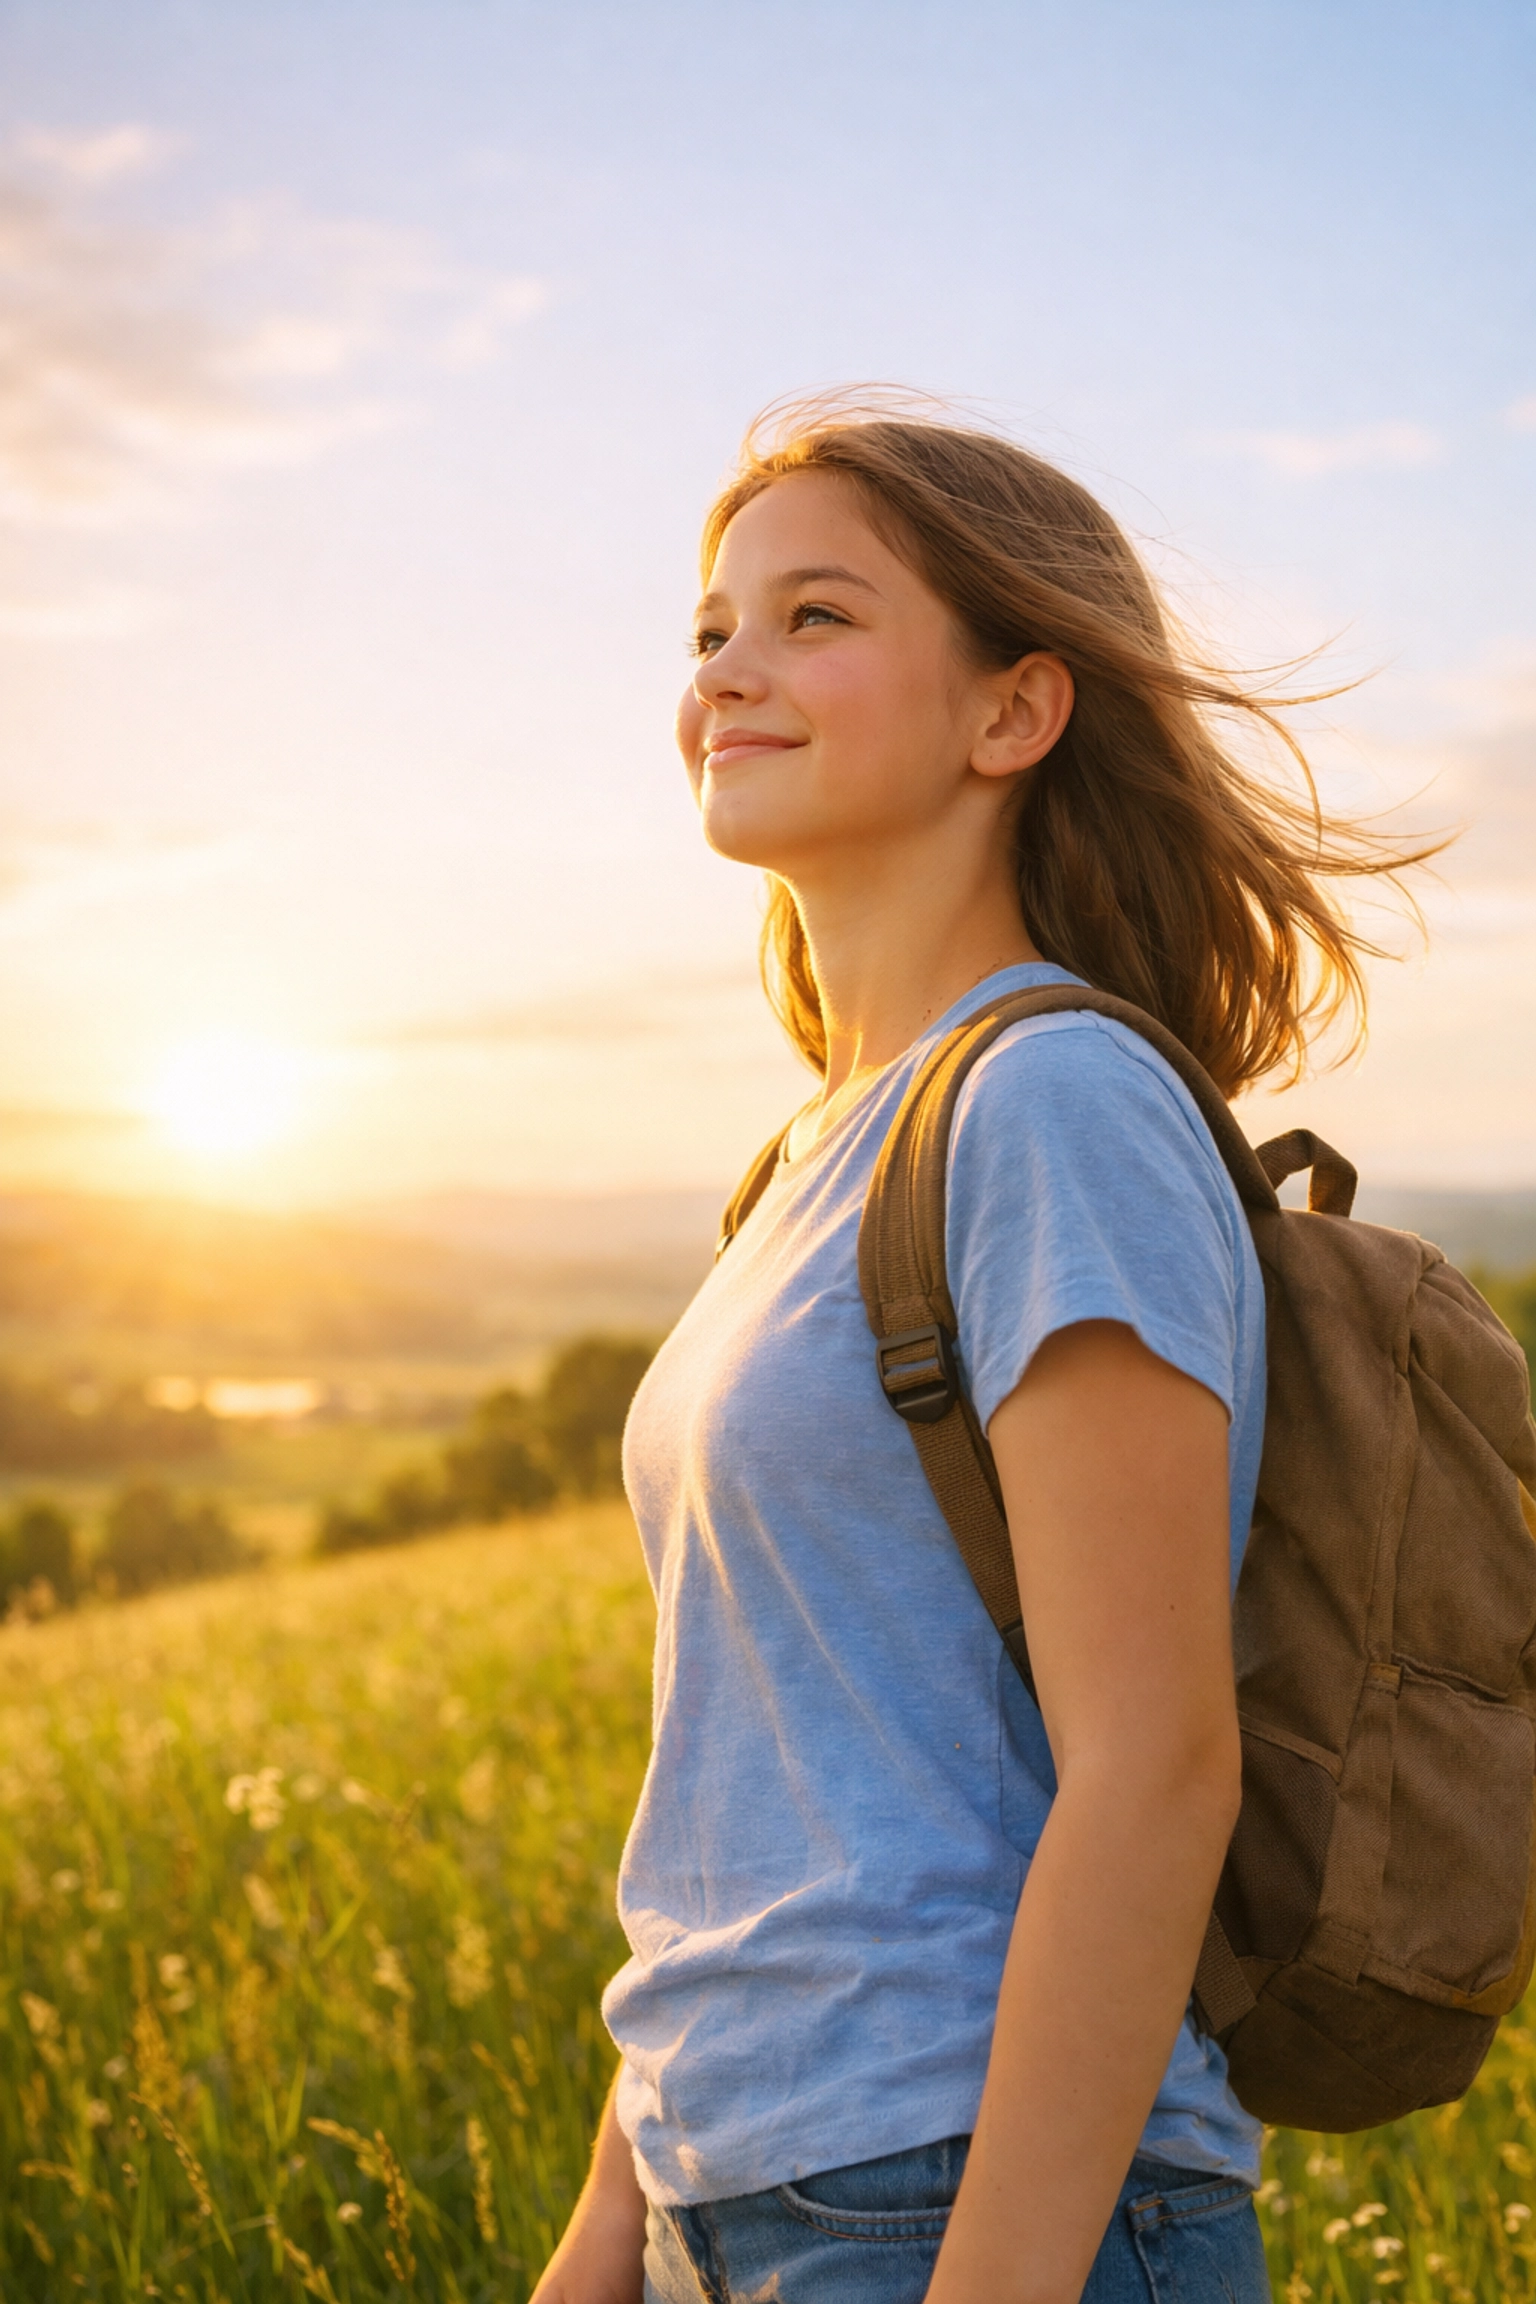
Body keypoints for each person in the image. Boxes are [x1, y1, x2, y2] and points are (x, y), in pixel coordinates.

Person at [532, 399, 1423, 2304]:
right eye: (711, 630)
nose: (727, 674)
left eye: (815, 618)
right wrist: (608, 2237)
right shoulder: (805, 1163)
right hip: (732, 2196)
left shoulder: (1053, 1103)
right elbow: (755, 1777)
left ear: (1013, 713)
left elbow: (1154, 1769)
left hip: (968, 2205)